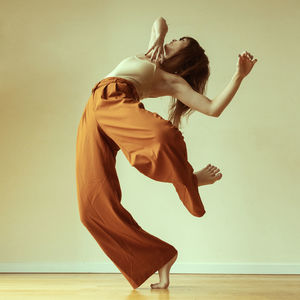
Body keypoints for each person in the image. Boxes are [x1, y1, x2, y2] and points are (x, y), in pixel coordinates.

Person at [75, 17, 257, 290]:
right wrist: (160, 38)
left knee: (163, 136)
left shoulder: (170, 81)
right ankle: (159, 255)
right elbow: (159, 22)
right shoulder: (152, 50)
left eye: (177, 43)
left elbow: (213, 108)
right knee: (90, 209)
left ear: (183, 58)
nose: (171, 42)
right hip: (94, 110)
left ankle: (188, 180)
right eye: (173, 39)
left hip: (116, 102)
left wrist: (239, 76)